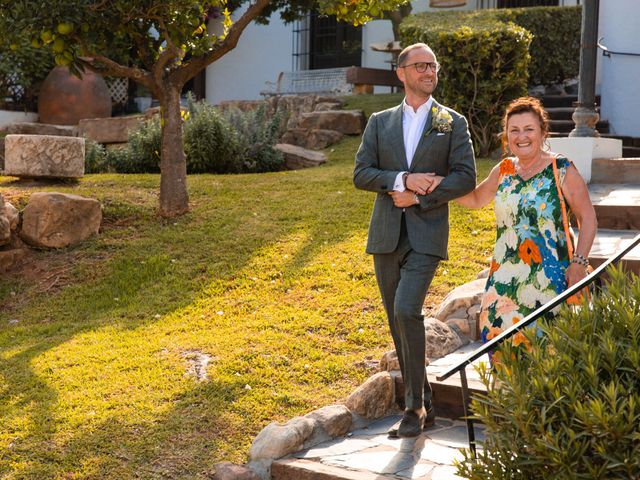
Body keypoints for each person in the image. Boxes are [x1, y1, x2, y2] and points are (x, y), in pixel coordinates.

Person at [353, 43, 476, 438]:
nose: (429, 71)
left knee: (408, 309)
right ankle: (427, 403)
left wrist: (419, 196)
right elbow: (361, 173)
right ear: (401, 72)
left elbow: (464, 178)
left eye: (433, 66)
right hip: (386, 234)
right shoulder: (379, 122)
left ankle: (415, 406)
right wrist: (402, 180)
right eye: (420, 65)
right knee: (395, 318)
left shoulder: (451, 122)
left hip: (427, 233)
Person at [428, 96, 597, 361]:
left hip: (551, 281)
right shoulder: (504, 170)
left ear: (542, 132)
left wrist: (579, 262)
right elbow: (474, 199)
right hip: (504, 282)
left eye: (529, 129)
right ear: (506, 135)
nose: (521, 136)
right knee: (502, 352)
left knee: (548, 357)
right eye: (514, 130)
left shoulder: (561, 169)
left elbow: (588, 218)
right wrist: (441, 184)